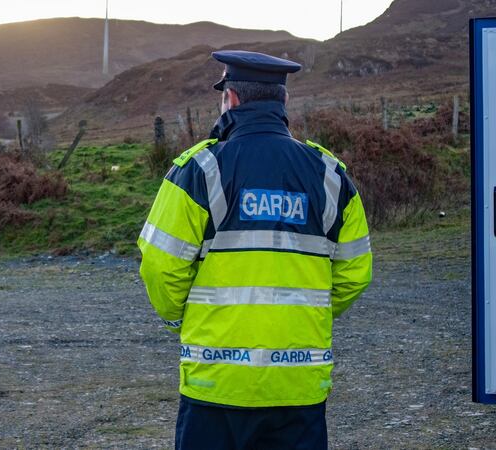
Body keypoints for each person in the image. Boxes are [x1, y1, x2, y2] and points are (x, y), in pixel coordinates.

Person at [137, 50, 372, 449]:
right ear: (282, 102)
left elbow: (160, 266)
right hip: (297, 385)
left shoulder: (198, 169)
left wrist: (183, 317)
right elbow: (354, 273)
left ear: (230, 99)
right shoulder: (331, 175)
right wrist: (303, 315)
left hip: (216, 385)